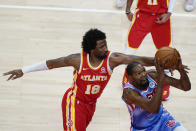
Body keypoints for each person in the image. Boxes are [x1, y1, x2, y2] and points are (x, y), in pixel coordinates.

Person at [3, 29, 154, 131]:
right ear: (91, 49)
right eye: (101, 46)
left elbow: (138, 59)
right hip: (74, 102)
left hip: (91, 104)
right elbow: (50, 64)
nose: (105, 49)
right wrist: (23, 70)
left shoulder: (112, 59)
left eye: (105, 44)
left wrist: (161, 62)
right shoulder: (77, 60)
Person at [122, 0, 177, 101]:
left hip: (161, 15)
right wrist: (127, 10)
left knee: (166, 53)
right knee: (129, 51)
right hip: (142, 15)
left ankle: (165, 85)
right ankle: (128, 79)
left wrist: (169, 13)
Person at [122, 60, 191, 131]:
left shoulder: (152, 75)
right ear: (130, 77)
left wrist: (181, 70)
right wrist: (161, 82)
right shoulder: (129, 92)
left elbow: (185, 87)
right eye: (139, 73)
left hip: (163, 119)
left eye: (143, 71)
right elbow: (153, 109)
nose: (143, 74)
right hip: (143, 128)